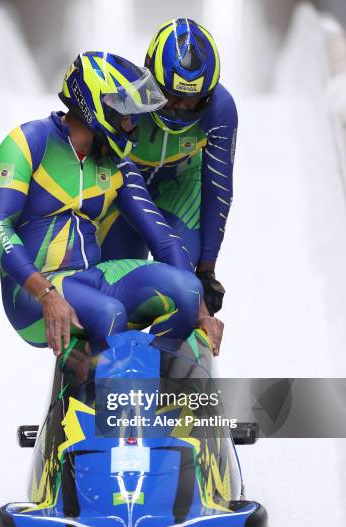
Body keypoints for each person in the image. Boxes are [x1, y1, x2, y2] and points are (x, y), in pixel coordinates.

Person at [0, 51, 203, 356]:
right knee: (108, 313)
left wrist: (203, 314)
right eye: (126, 114)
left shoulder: (117, 165)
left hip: (89, 281)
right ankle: (104, 394)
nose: (131, 124)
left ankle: (160, 383)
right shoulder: (27, 142)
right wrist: (46, 293)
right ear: (99, 106)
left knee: (187, 290)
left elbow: (164, 242)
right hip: (30, 294)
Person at [99, 19, 238, 356]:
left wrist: (207, 269)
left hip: (178, 189)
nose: (180, 110)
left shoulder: (222, 108)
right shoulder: (123, 95)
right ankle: (99, 368)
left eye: (192, 102)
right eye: (171, 97)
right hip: (123, 189)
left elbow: (218, 187)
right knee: (110, 293)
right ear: (150, 79)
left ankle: (169, 370)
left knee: (184, 290)